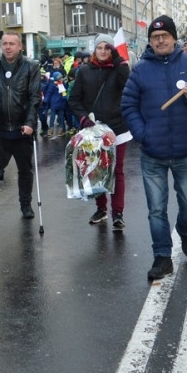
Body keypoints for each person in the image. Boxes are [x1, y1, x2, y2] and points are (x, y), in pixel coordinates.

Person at [121, 15, 187, 281]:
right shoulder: (140, 69)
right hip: (153, 153)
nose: (160, 40)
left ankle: (185, 230)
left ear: (174, 38)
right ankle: (162, 257)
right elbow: (128, 105)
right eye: (155, 37)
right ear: (150, 42)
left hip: (185, 150)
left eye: (164, 36)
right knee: (156, 209)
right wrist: (143, 134)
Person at [68, 34, 131, 230]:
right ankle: (101, 209)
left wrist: (119, 60)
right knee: (97, 169)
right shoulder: (84, 71)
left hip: (117, 129)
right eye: (100, 48)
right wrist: (83, 119)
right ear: (94, 50)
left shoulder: (119, 69)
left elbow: (128, 87)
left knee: (116, 170)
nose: (103, 51)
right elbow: (74, 100)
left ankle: (118, 213)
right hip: (93, 130)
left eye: (107, 48)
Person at [0, 31, 41, 219]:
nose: (8, 47)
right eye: (5, 43)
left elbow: (34, 97)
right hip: (1, 127)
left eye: (12, 43)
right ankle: (1, 169)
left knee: (25, 169)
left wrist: (30, 123)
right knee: (1, 161)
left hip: (23, 129)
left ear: (20, 46)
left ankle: (25, 204)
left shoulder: (31, 67)